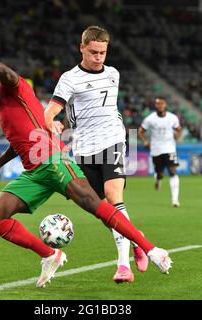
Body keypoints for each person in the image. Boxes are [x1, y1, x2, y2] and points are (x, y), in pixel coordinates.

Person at [0, 30, 172, 288]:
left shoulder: (16, 89)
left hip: (53, 159)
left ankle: (151, 249)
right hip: (34, 172)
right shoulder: (4, 110)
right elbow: (20, 143)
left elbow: (4, 71)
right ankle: (50, 254)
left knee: (97, 204)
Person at [44, 26, 148, 283]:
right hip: (83, 150)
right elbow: (50, 112)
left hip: (113, 141)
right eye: (93, 52)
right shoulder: (69, 79)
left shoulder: (114, 74)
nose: (99, 57)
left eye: (103, 52)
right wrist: (52, 124)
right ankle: (136, 238)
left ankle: (123, 266)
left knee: (114, 197)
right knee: (101, 209)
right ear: (82, 48)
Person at [138, 97, 182, 207]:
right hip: (156, 149)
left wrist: (177, 136)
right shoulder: (150, 119)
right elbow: (140, 132)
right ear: (155, 105)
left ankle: (175, 200)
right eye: (158, 104)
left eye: (162, 103)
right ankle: (158, 179)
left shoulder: (173, 118)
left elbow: (178, 129)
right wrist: (145, 142)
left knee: (172, 171)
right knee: (160, 174)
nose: (160, 106)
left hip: (170, 148)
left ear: (165, 105)